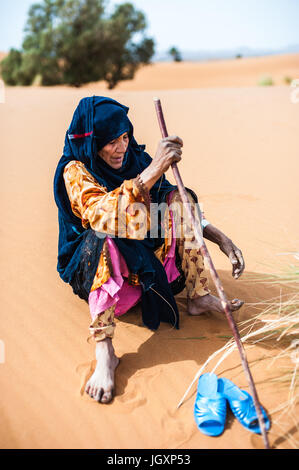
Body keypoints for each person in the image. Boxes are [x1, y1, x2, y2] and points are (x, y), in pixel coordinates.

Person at [53, 96, 245, 404]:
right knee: (105, 235)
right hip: (97, 271)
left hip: (149, 269)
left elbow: (169, 200)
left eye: (125, 137)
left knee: (179, 198)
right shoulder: (75, 170)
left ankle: (198, 295)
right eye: (111, 141)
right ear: (92, 142)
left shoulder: (134, 160)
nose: (121, 148)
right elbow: (104, 214)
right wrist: (154, 168)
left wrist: (219, 237)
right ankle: (105, 351)